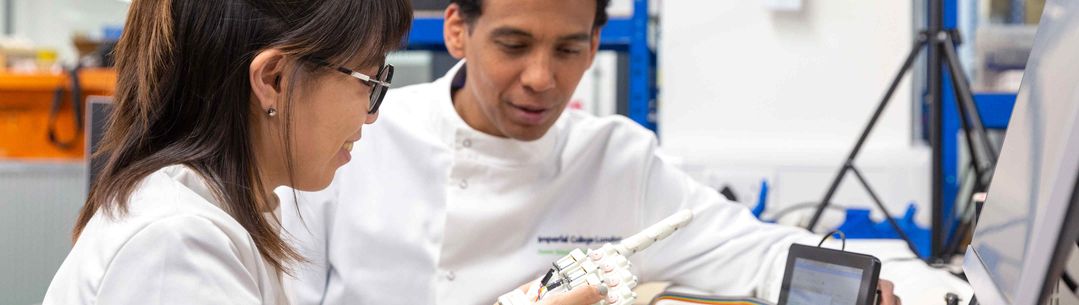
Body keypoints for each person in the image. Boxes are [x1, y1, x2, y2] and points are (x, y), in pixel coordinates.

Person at [280, 0, 901, 305]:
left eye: (570, 49)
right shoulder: (358, 139)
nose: (543, 79)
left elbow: (747, 249)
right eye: (514, 45)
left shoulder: (617, 158)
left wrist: (855, 289)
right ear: (457, 31)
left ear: (597, 42)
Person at [42, 1, 600, 304]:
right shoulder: (175, 243)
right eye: (369, 81)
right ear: (277, 79)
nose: (372, 114)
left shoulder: (231, 213)